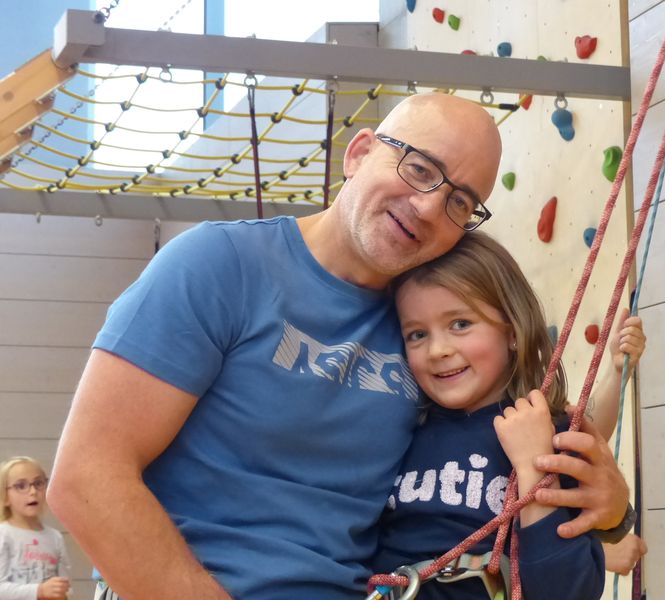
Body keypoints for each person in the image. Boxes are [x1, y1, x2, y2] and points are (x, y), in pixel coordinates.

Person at [48, 92, 632, 600]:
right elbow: (86, 478)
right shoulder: (219, 265)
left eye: (459, 202)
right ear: (358, 154)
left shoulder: (424, 324)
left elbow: (503, 454)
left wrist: (608, 511)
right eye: (419, 168)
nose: (428, 206)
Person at [371, 231, 646, 599]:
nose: (437, 350)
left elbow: (586, 429)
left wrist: (534, 467)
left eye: (460, 324)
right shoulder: (404, 425)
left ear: (513, 330)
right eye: (417, 334)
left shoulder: (539, 427)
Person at [0, 457, 71, 600]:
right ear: (5, 497)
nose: (33, 491)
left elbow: (66, 587)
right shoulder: (3, 534)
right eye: (21, 486)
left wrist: (63, 594)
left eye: (38, 483)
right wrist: (39, 591)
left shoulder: (55, 537)